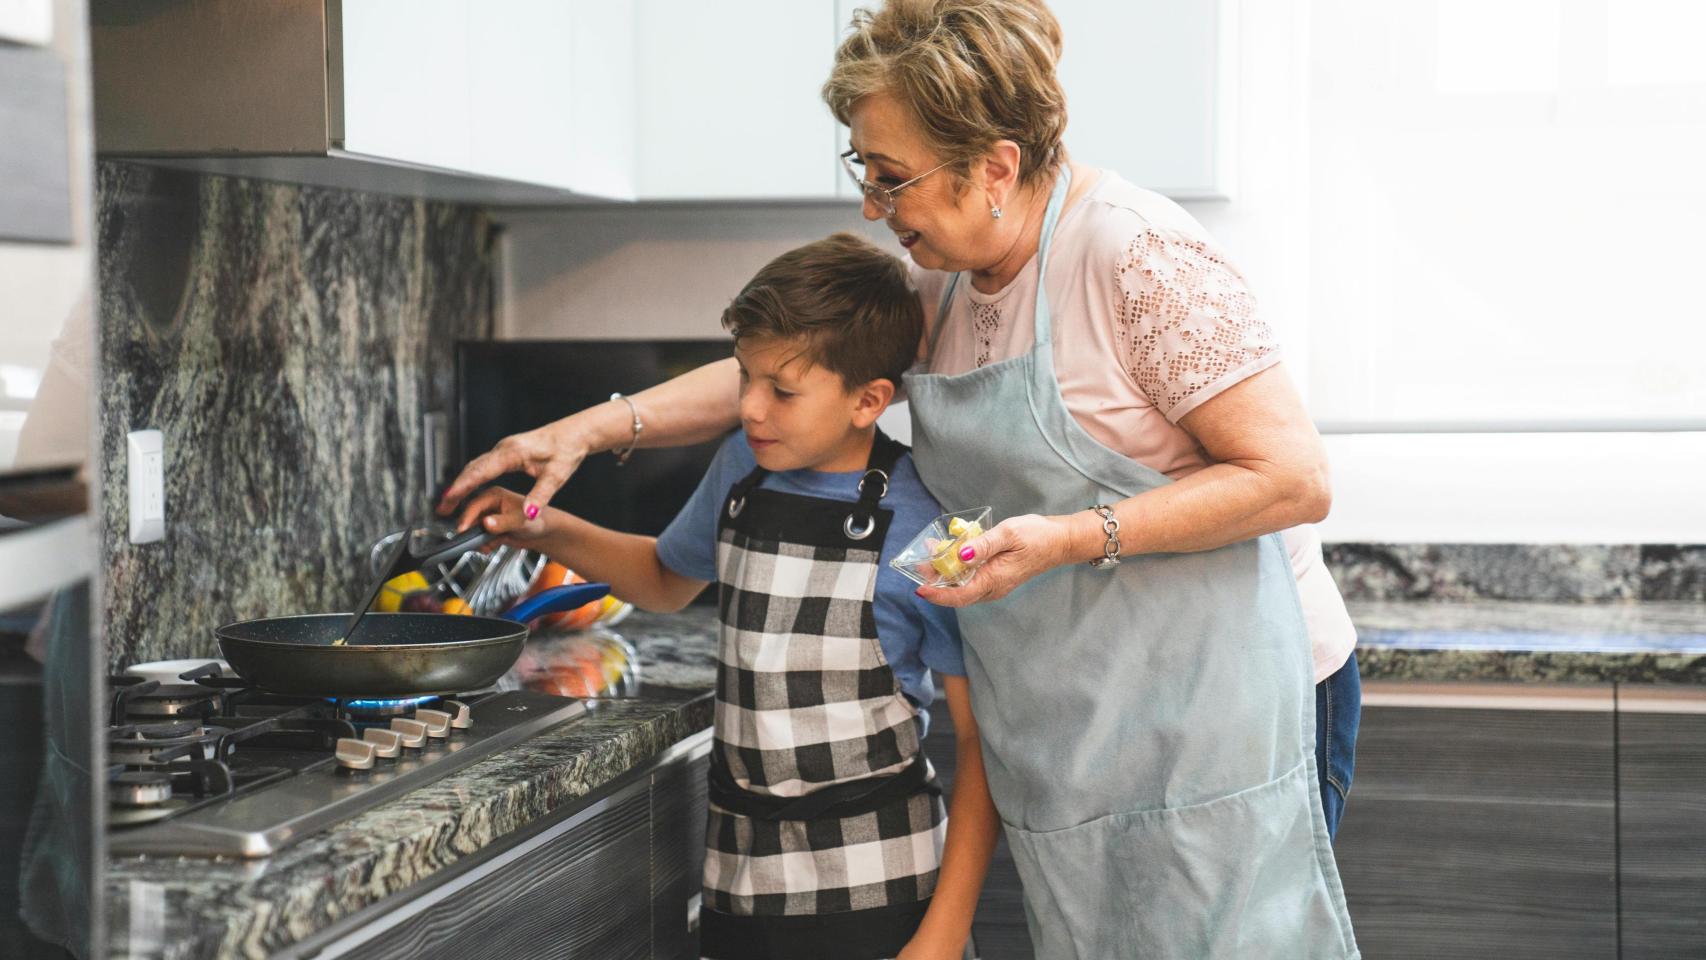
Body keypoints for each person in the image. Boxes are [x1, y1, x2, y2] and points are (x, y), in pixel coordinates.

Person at [443, 2, 1362, 955]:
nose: (872, 208)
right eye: (864, 171)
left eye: (891, 178)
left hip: (1224, 704)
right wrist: (587, 431)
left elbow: (1293, 478)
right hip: (1083, 700)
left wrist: (1067, 538)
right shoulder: (948, 272)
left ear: (995, 167)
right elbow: (793, 365)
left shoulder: (1138, 259)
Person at [457, 233, 998, 960]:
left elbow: (977, 744)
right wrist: (544, 527)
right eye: (744, 377)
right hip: (742, 884)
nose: (748, 407)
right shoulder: (743, 471)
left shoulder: (927, 526)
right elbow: (662, 580)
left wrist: (942, 934)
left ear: (869, 400)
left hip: (884, 889)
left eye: (781, 389)